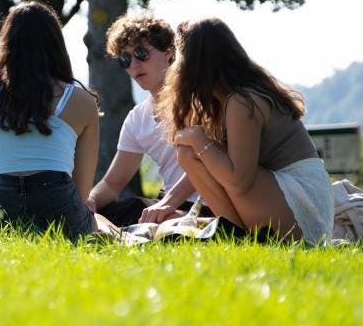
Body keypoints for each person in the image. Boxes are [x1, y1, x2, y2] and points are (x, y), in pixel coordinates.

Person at [157, 18, 334, 244]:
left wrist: (199, 139)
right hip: (293, 199)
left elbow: (239, 181)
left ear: (195, 64)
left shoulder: (242, 101)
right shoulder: (229, 99)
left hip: (302, 203)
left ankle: (237, 234)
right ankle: (235, 234)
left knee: (195, 151)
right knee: (188, 155)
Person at [0, 1, 100, 239]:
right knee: (101, 223)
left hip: (0, 206)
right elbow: (81, 190)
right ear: (56, 42)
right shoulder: (82, 101)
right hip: (57, 204)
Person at [86, 13, 203, 226]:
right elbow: (113, 184)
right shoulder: (137, 118)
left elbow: (207, 167)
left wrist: (168, 202)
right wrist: (90, 201)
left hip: (208, 202)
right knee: (107, 211)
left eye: (141, 53)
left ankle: (191, 222)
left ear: (169, 53)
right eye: (125, 58)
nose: (134, 64)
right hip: (168, 205)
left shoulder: (198, 101)